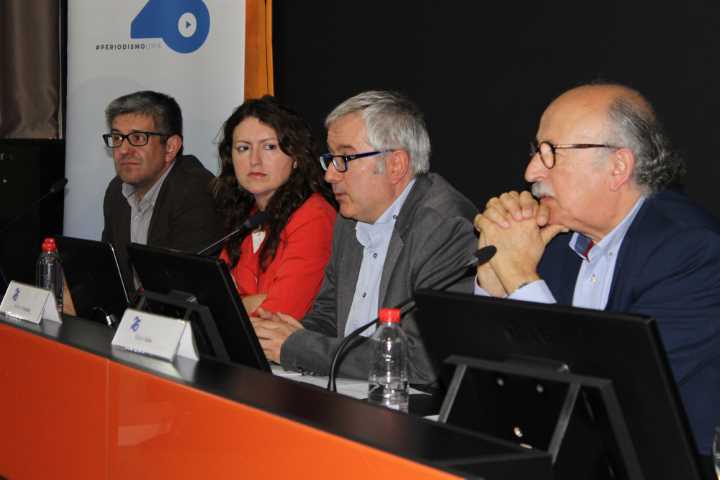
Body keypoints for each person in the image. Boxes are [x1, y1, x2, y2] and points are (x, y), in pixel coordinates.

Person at [473, 82, 720, 461]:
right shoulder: (555, 240)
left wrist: (520, 275)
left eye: (551, 153)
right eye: (535, 152)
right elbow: (494, 381)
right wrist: (493, 278)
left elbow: (601, 401)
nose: (530, 171)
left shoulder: (692, 253)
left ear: (618, 167)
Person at [251, 90, 478, 383]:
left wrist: (300, 347)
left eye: (345, 158)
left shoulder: (445, 228)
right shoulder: (350, 218)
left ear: (395, 165)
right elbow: (329, 314)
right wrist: (284, 334)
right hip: (351, 388)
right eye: (331, 159)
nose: (330, 175)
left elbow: (422, 361)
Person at [212, 96, 336, 319]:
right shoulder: (246, 216)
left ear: (296, 156)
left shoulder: (314, 216)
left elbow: (280, 313)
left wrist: (241, 304)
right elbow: (215, 300)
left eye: (269, 147)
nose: (254, 160)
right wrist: (253, 302)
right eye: (243, 148)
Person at [101, 90, 222, 291]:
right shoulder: (116, 191)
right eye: (117, 138)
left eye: (137, 138)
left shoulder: (196, 192)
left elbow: (184, 289)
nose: (123, 150)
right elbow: (110, 271)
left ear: (171, 147)